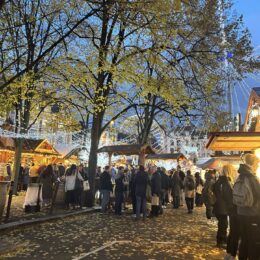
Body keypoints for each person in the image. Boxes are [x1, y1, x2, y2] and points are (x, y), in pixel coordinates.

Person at [235, 154, 260, 260]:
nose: (258, 166)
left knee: (244, 239)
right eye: (257, 164)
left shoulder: (240, 176)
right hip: (252, 213)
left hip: (241, 212)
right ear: (253, 163)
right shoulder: (252, 178)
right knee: (253, 241)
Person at [219, 164, 239, 260]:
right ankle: (231, 254)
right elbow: (229, 197)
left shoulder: (224, 181)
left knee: (232, 232)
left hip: (230, 209)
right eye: (234, 170)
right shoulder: (228, 182)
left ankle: (229, 253)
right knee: (234, 232)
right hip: (233, 210)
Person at [213, 165, 234, 249]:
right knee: (223, 224)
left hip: (219, 206)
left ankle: (221, 240)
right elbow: (227, 195)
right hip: (222, 207)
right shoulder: (225, 181)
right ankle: (221, 241)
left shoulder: (219, 181)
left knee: (222, 224)